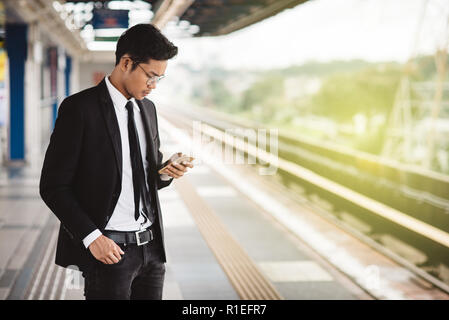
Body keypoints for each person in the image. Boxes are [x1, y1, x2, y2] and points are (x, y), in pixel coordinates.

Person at [39, 23, 193, 300]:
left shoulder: (148, 109)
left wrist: (167, 171)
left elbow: (148, 173)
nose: (154, 86)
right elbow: (53, 186)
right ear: (126, 63)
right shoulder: (79, 109)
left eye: (160, 78)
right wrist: (92, 238)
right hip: (109, 252)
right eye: (150, 76)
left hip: (151, 250)